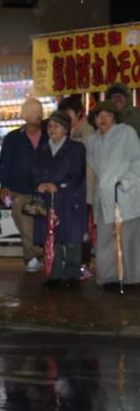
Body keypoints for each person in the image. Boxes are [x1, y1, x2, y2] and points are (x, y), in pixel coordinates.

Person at [85, 100, 140, 289]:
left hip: (125, 194)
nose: (103, 118)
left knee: (127, 239)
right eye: (99, 115)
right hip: (104, 197)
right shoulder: (92, 141)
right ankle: (109, 278)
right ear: (93, 119)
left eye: (108, 114)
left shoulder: (126, 133)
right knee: (106, 241)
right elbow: (94, 168)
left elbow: (137, 160)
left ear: (115, 117)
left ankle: (129, 278)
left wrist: (126, 182)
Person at [31, 110, 87, 288]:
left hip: (70, 198)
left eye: (56, 125)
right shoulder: (42, 148)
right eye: (49, 125)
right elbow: (34, 171)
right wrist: (39, 184)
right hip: (48, 198)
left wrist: (60, 185)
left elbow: (78, 174)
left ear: (65, 129)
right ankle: (54, 275)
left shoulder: (76, 148)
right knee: (51, 236)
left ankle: (72, 275)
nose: (51, 129)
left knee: (71, 237)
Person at [0, 97, 48, 273]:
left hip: (44, 189)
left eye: (39, 111)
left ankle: (40, 254)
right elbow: (5, 163)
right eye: (33, 111)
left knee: (42, 225)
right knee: (25, 227)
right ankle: (32, 257)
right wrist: (5, 185)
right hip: (19, 188)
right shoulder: (12, 138)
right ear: (25, 115)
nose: (37, 115)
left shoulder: (49, 135)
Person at [59, 95, 97, 275]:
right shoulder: (72, 130)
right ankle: (79, 263)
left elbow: (88, 156)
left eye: (69, 112)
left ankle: (84, 265)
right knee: (78, 226)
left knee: (84, 228)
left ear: (79, 112)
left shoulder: (86, 129)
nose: (66, 115)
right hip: (75, 188)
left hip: (86, 187)